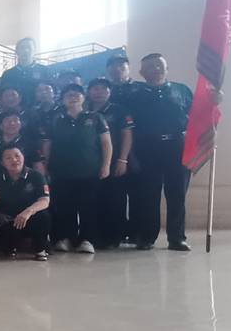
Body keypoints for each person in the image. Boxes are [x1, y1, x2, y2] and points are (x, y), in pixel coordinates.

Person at [127, 53, 196, 251]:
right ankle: (147, 237)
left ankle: (177, 238)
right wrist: (131, 155)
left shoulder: (181, 90)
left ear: (167, 68)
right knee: (148, 195)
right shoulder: (134, 95)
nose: (155, 69)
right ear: (141, 72)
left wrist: (214, 102)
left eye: (159, 65)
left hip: (177, 147)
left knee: (177, 194)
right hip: (147, 148)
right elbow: (128, 128)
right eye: (150, 66)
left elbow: (197, 115)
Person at [43, 83, 112, 253]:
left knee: (89, 206)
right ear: (62, 99)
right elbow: (47, 145)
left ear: (83, 97)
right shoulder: (56, 119)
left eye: (76, 94)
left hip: (89, 171)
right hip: (61, 171)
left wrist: (106, 165)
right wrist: (45, 166)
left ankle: (88, 240)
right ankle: (66, 238)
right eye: (68, 95)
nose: (72, 97)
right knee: (65, 206)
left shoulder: (95, 118)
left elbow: (106, 143)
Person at [89, 78, 136, 249]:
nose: (98, 92)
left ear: (110, 92)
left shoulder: (119, 110)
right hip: (91, 162)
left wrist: (123, 159)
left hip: (115, 160)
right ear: (89, 91)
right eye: (95, 88)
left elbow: (127, 135)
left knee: (115, 199)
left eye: (103, 89)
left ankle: (114, 236)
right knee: (95, 199)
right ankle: (96, 236)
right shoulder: (85, 109)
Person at [0, 145, 51, 260]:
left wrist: (28, 211)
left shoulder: (36, 176)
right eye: (8, 158)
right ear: (2, 163)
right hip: (8, 220)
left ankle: (40, 250)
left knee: (44, 216)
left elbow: (45, 200)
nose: (14, 160)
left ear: (23, 157)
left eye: (17, 156)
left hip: (30, 218)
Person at [0, 111, 43, 177]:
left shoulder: (29, 143)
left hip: (25, 180)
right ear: (0, 126)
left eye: (15, 120)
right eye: (7, 120)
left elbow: (37, 165)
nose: (12, 123)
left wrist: (41, 181)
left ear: (21, 124)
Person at [0, 37, 52, 111]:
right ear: (17, 51)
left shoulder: (44, 70)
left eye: (29, 47)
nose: (26, 50)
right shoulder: (8, 74)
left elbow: (51, 93)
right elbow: (2, 96)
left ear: (34, 50)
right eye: (22, 48)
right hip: (16, 114)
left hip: (41, 112)